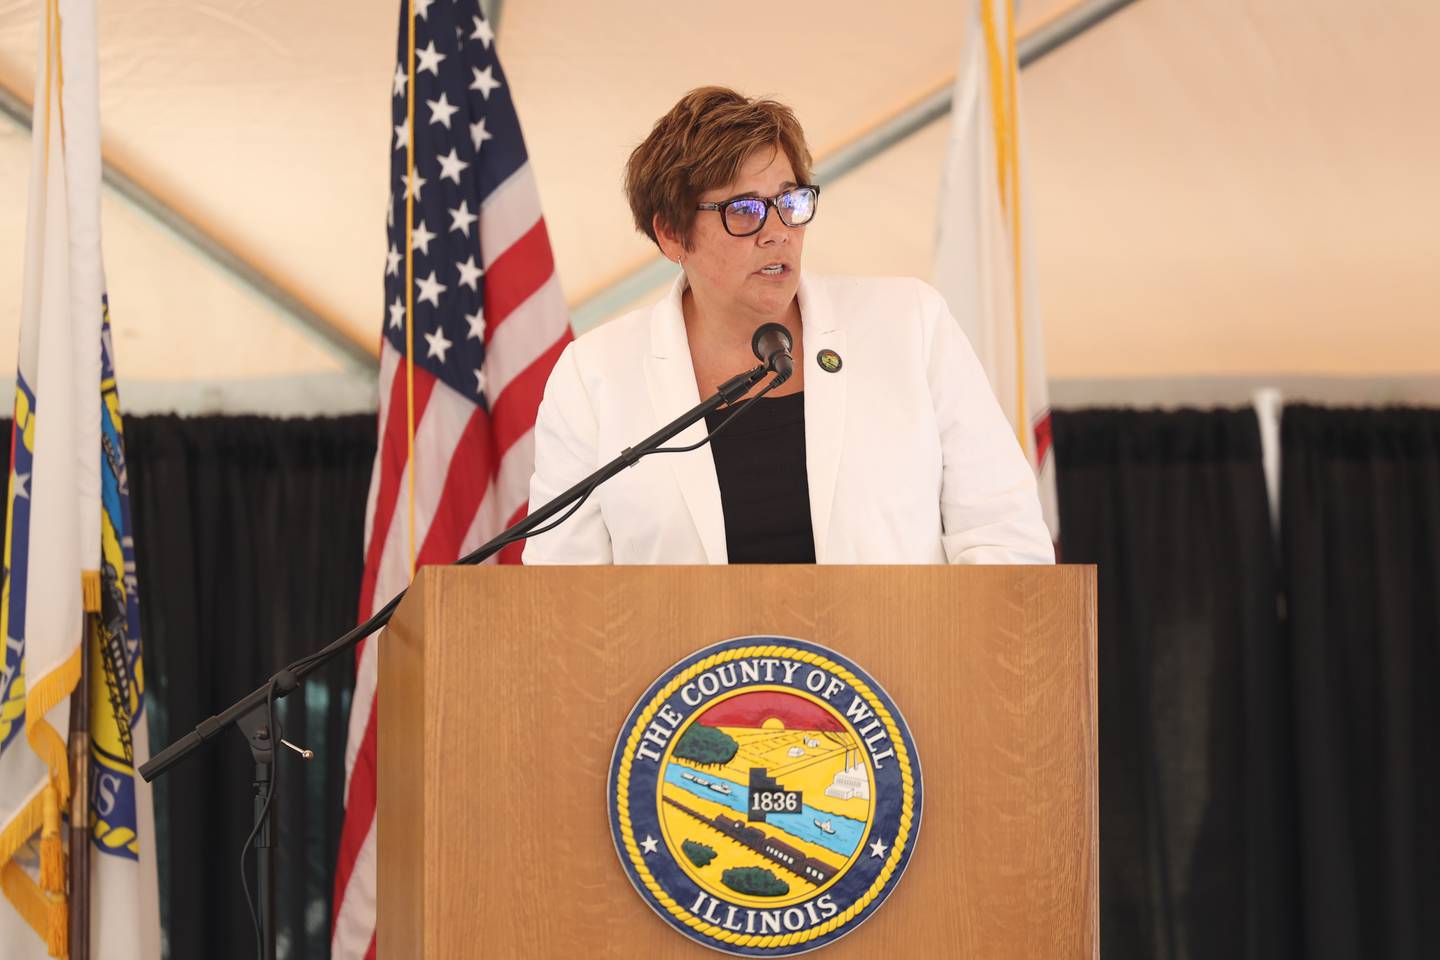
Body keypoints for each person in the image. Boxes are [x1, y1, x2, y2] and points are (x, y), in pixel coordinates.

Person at [523, 86, 1053, 565]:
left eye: (791, 201)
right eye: (746, 210)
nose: (778, 232)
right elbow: (563, 598)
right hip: (686, 676)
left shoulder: (911, 325)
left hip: (895, 672)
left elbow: (1004, 540)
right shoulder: (595, 377)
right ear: (671, 234)